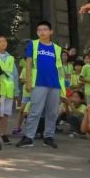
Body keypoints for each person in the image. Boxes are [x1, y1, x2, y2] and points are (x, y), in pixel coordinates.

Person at [16, 21, 66, 149]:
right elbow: (28, 63)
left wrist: (63, 89)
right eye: (39, 30)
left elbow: (60, 68)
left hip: (55, 84)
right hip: (38, 83)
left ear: (51, 32)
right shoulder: (33, 44)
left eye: (45, 29)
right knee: (35, 111)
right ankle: (28, 137)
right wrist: (28, 81)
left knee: (52, 113)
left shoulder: (57, 48)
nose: (42, 32)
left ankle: (49, 137)